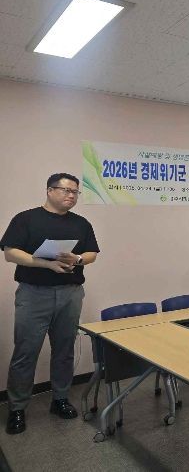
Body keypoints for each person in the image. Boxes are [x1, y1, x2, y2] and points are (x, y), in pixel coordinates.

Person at [1, 173, 100, 435]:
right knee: (26, 351)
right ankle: (17, 408)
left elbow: (92, 253)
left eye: (75, 192)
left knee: (65, 350)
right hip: (34, 294)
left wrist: (78, 259)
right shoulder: (26, 219)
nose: (71, 195)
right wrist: (47, 264)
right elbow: (10, 253)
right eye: (65, 190)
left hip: (70, 293)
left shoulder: (81, 223)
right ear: (49, 190)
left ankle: (60, 399)